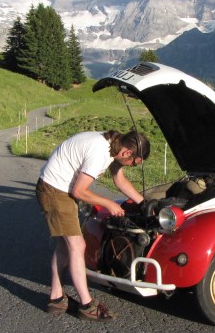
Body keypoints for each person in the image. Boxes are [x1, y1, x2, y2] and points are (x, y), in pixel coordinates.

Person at [36, 129, 150, 320]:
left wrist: (144, 204)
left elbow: (119, 179)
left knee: (66, 243)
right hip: (54, 190)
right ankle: (86, 305)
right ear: (127, 153)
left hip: (59, 189)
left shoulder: (114, 144)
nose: (131, 166)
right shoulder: (100, 152)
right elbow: (79, 191)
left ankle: (56, 298)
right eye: (133, 163)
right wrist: (110, 204)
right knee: (77, 245)